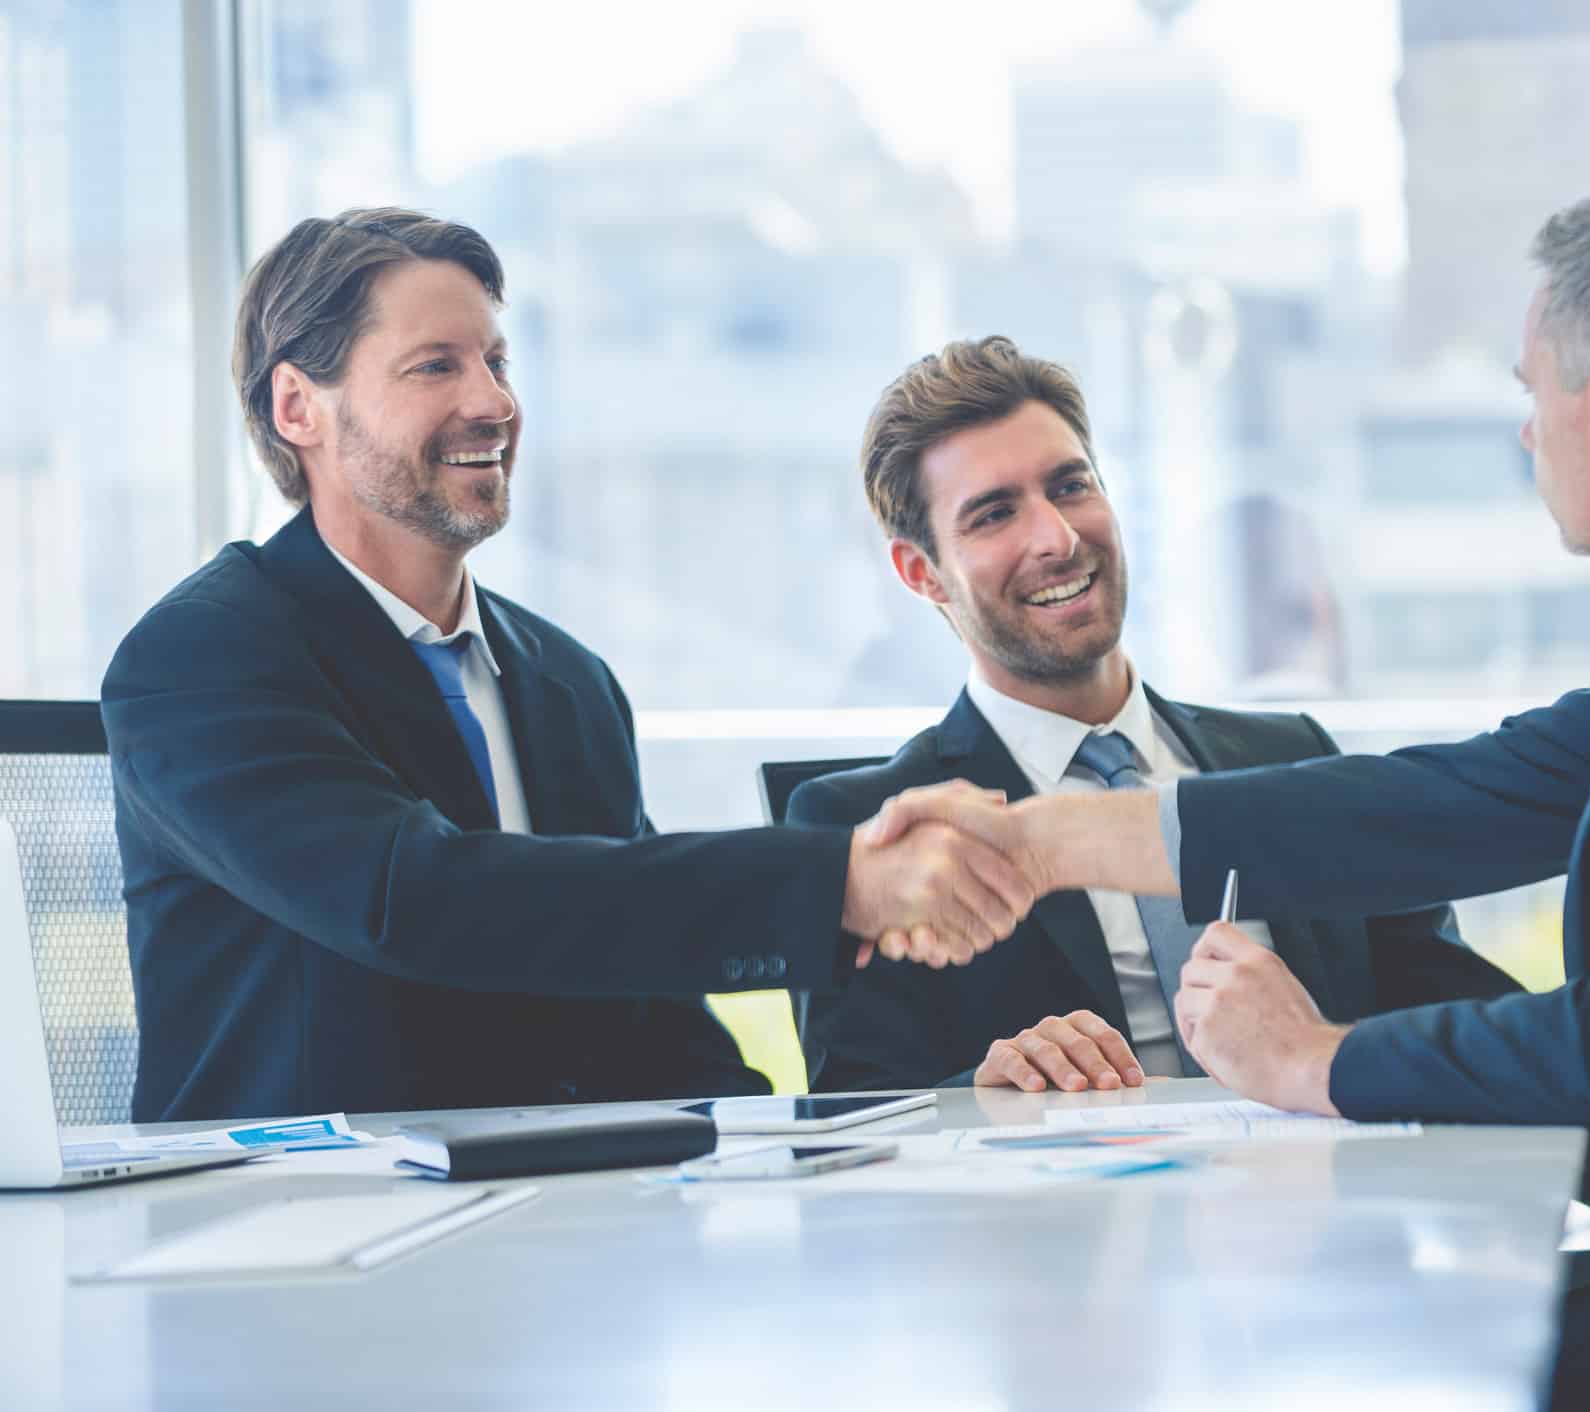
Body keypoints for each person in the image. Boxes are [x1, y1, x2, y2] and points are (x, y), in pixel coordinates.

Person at [864, 183, 1590, 1406]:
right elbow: (1460, 798)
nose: (1525, 437)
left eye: (1529, 395)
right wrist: (1052, 839)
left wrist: (1316, 1058)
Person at [101, 209, 1031, 1124]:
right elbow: (415, 900)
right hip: (296, 1231)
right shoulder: (205, 657)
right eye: (436, 366)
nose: (495, 402)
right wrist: (838, 884)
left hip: (555, 1222)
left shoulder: (565, 682)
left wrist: (838, 1143)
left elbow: (654, 1006)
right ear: (298, 406)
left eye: (497, 363)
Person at [790, 337, 1518, 1094]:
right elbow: (859, 1110)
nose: (1058, 538)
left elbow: (1456, 1012)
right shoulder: (870, 832)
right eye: (995, 514)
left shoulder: (1293, 757)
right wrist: (983, 1088)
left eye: (1071, 487)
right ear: (922, 573)